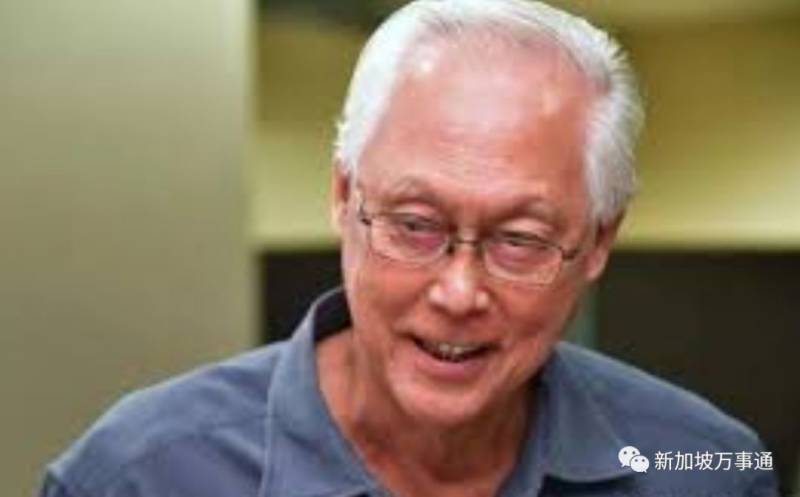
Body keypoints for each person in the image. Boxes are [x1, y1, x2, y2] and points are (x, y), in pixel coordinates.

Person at [40, 1, 780, 496]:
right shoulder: (139, 474)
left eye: (520, 240)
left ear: (598, 242)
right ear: (343, 196)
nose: (458, 292)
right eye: (416, 225)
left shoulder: (704, 467)